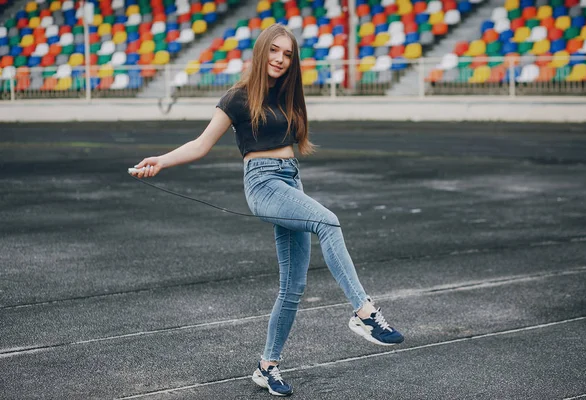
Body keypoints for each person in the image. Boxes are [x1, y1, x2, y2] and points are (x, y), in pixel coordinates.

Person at [130, 23, 404, 397]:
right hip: (262, 183)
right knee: (328, 222)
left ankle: (266, 367)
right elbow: (200, 144)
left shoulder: (289, 96)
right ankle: (364, 312)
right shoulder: (237, 98)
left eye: (287, 54)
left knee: (293, 287)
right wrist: (159, 161)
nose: (280, 59)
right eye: (274, 51)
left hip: (291, 180)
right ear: (261, 53)